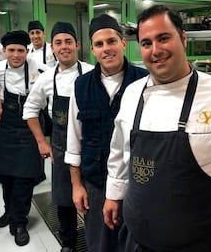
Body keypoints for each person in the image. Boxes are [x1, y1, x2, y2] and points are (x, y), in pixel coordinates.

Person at [102, 5, 211, 251]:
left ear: (183, 38)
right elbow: (119, 151)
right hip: (136, 239)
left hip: (199, 244)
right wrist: (113, 194)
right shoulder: (133, 93)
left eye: (163, 38)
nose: (156, 50)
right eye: (146, 43)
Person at [65, 14, 148, 252]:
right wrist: (76, 185)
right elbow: (74, 139)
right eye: (99, 44)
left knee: (135, 243)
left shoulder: (144, 82)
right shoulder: (81, 86)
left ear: (123, 43)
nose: (106, 49)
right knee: (99, 243)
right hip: (96, 182)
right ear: (92, 49)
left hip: (137, 184)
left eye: (111, 41)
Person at [23, 22, 94, 252]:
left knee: (94, 193)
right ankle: (69, 243)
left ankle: (96, 238)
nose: (64, 47)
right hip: (61, 145)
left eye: (68, 42)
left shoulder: (93, 72)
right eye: (59, 43)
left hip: (92, 143)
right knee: (65, 199)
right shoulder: (46, 78)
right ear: (52, 47)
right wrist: (42, 141)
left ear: (77, 45)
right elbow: (30, 110)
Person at [0, 30, 49, 246]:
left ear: (27, 51)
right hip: (7, 127)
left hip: (29, 126)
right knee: (7, 176)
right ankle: (9, 212)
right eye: (11, 50)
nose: (16, 55)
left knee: (24, 178)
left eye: (20, 50)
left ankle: (20, 221)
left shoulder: (39, 69)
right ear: (4, 51)